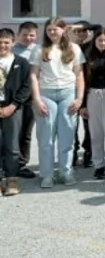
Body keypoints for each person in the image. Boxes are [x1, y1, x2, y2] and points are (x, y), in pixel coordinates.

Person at [30, 17, 85, 189]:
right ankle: (46, 175)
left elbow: (79, 75)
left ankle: (65, 172)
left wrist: (79, 98)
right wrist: (37, 99)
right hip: (46, 94)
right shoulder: (39, 49)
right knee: (46, 137)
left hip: (67, 93)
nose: (52, 32)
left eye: (55, 29)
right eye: (49, 29)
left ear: (63, 29)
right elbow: (33, 76)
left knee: (67, 135)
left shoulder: (74, 48)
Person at [82, 28, 105, 180]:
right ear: (94, 41)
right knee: (95, 132)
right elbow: (83, 81)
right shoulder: (87, 56)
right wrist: (82, 105)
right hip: (92, 94)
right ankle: (98, 165)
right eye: (100, 40)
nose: (103, 43)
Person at [0, 28, 32, 196]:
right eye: (0, 42)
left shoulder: (21, 62)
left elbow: (27, 86)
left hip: (13, 107)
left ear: (13, 43)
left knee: (12, 145)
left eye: (6, 42)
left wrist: (13, 105)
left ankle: (11, 178)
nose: (2, 46)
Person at [13, 22, 39, 179]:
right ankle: (7, 163)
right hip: (12, 97)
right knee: (10, 132)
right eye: (24, 34)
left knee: (26, 132)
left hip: (31, 97)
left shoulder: (39, 50)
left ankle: (21, 164)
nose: (28, 38)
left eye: (31, 35)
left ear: (36, 36)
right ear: (18, 34)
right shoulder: (10, 49)